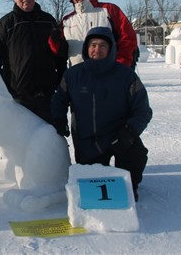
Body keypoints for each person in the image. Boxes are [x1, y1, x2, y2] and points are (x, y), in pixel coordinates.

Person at [51, 27, 152, 201]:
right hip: (87, 141)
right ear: (86, 48)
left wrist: (129, 132)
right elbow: (58, 100)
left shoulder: (126, 75)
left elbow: (143, 110)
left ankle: (129, 187)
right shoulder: (73, 75)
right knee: (92, 183)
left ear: (111, 48)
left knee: (136, 155)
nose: (97, 50)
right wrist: (59, 120)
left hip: (119, 136)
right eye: (93, 45)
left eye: (102, 46)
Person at [0, 0, 68, 124]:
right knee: (22, 144)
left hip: (47, 95)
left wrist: (59, 80)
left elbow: (60, 54)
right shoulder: (5, 25)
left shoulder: (48, 21)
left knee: (49, 139)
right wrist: (4, 88)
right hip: (18, 98)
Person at [62, 0, 138, 69]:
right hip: (78, 76)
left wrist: (121, 65)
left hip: (109, 73)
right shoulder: (67, 21)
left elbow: (128, 38)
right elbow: (60, 51)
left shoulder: (109, 10)